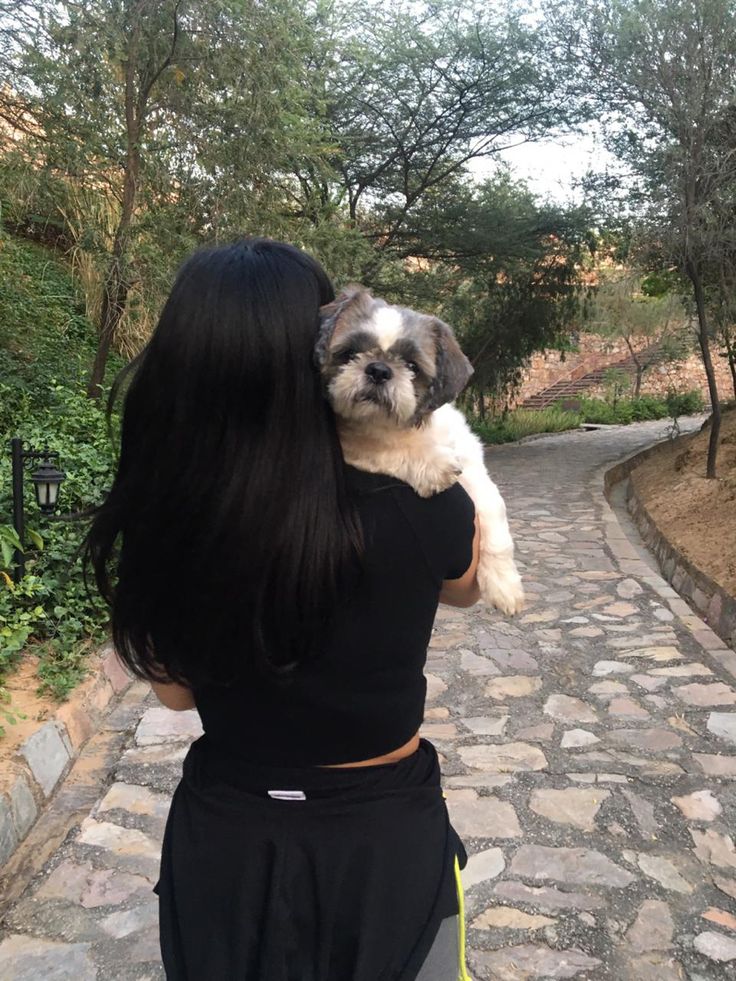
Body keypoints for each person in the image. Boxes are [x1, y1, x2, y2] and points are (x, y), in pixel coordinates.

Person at [81, 237, 481, 980]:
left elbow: (174, 692)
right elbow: (466, 583)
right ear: (315, 353)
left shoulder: (172, 516)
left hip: (228, 842)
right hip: (384, 844)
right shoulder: (423, 503)